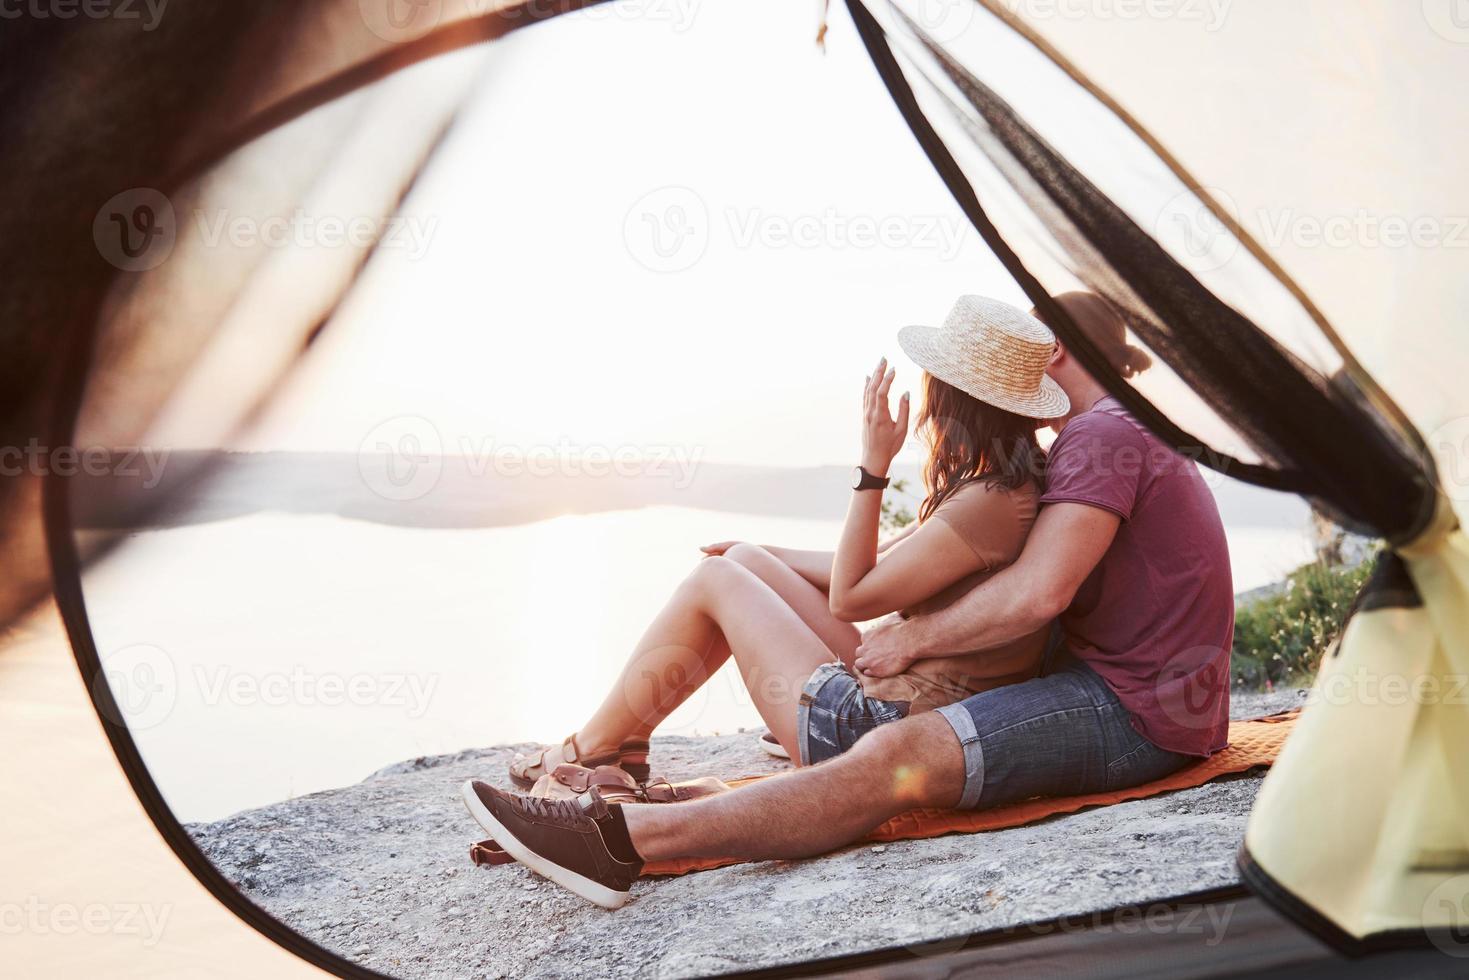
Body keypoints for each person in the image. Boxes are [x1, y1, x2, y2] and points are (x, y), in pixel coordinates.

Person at [464, 291, 1236, 910]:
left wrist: (910, 641)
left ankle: (615, 834)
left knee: (893, 755)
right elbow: (946, 576)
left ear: (1053, 351)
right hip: (1145, 696)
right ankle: (610, 764)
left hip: (1135, 709)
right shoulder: (1085, 441)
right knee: (751, 586)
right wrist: (769, 558)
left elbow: (1038, 592)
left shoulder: (1101, 435)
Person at [506, 296, 1067, 793]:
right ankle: (628, 742)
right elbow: (878, 568)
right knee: (738, 564)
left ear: (950, 395)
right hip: (898, 702)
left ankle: (589, 747)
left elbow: (852, 597)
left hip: (874, 733)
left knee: (714, 581)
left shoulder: (989, 502)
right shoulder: (1003, 482)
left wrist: (873, 467)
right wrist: (758, 553)